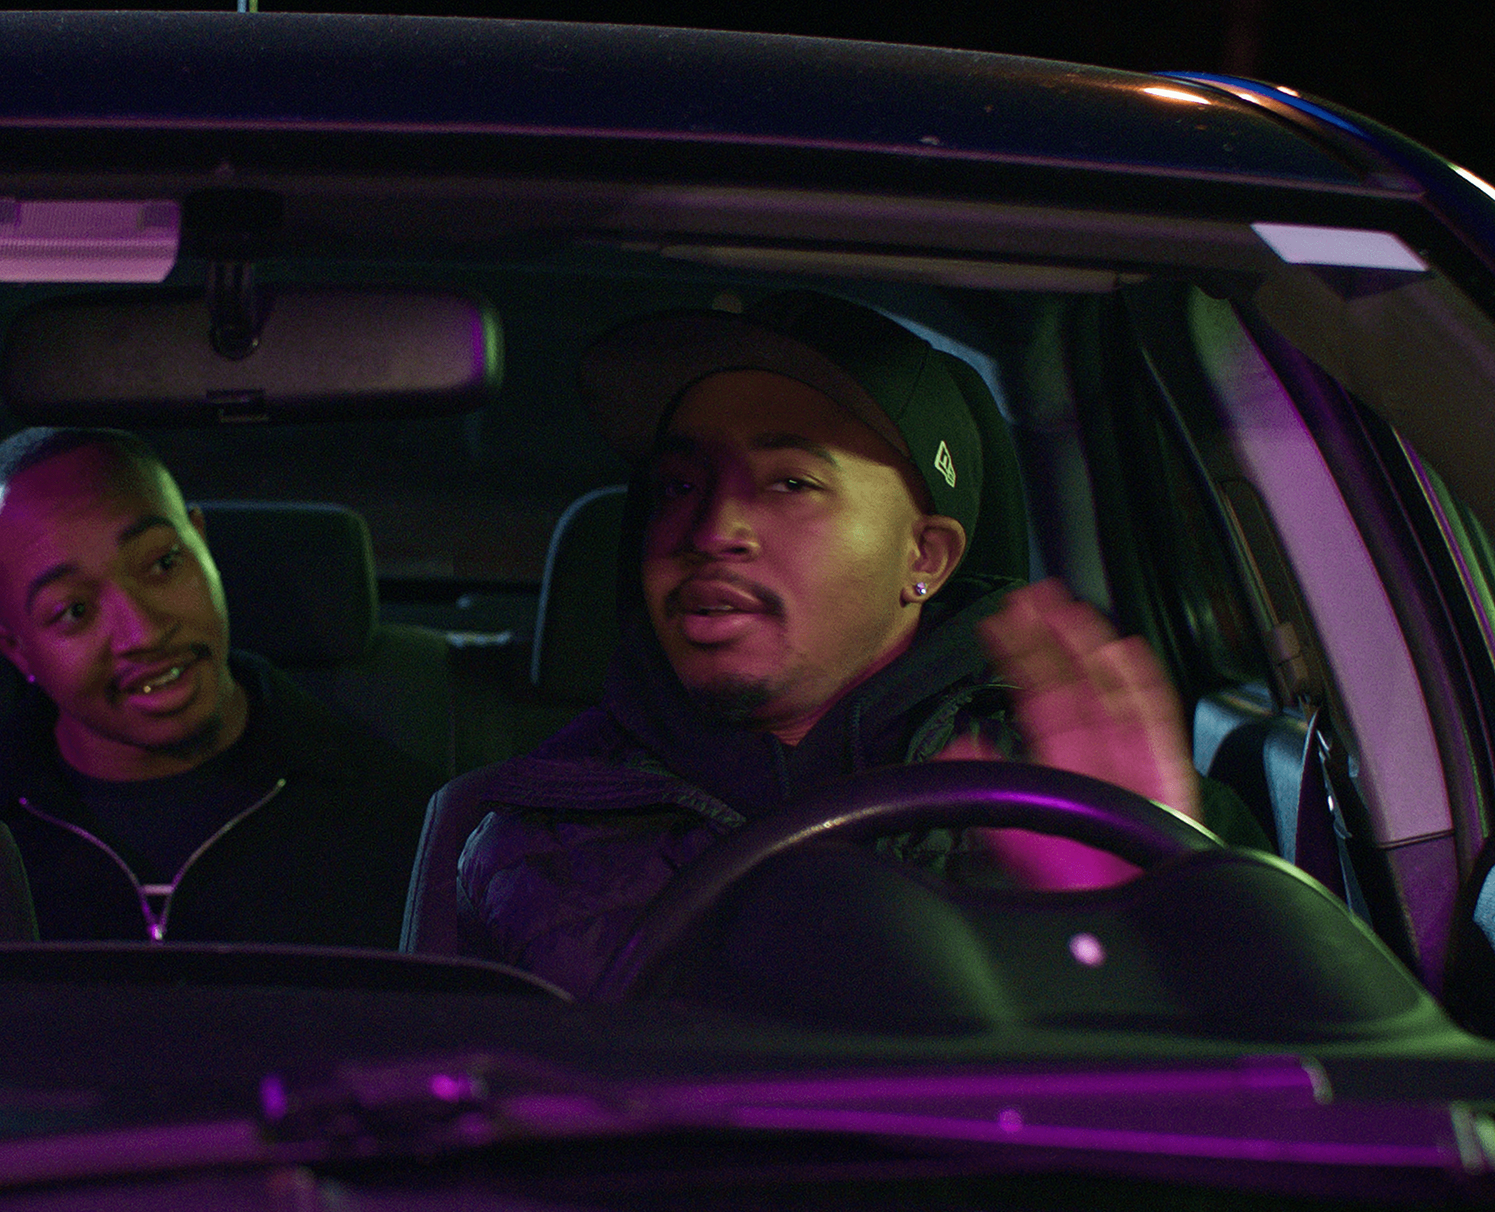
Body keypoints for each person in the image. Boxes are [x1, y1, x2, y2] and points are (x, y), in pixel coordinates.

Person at [455, 291, 1265, 998]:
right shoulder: (527, 836)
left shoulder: (1084, 790)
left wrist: (1134, 908)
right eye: (679, 486)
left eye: (789, 482)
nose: (711, 529)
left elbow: (1291, 1105)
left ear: (925, 557)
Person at [0, 427, 440, 947]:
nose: (144, 632)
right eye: (75, 610)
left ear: (201, 543)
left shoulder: (405, 819)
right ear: (16, 650)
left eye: (163, 564)